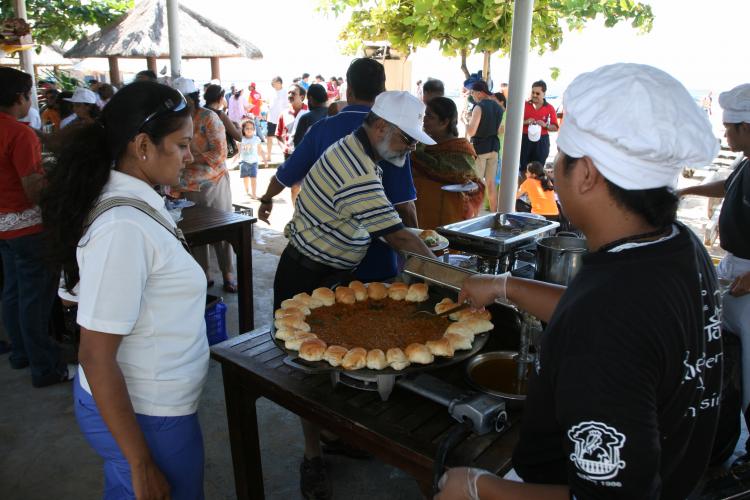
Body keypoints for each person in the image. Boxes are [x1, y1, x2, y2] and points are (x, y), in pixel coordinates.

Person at [436, 63, 722, 500]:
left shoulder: (606, 318)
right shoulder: (677, 246)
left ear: (586, 174)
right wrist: (505, 286)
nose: (553, 171)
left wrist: (481, 488)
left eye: (559, 161)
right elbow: (608, 316)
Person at [40, 80, 209, 499]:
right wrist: (140, 460)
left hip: (154, 403)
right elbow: (96, 355)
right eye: (182, 144)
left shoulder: (135, 202)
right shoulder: (122, 229)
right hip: (146, 412)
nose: (191, 156)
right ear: (143, 146)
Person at [273, 91, 437, 500]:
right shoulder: (356, 169)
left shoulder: (363, 154)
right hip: (304, 275)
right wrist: (443, 269)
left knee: (335, 362)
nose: (410, 148)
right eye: (407, 139)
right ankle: (312, 456)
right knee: (307, 373)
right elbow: (396, 233)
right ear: (381, 127)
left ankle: (332, 435)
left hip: (331, 273)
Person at [258, 57, 419, 283]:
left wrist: (266, 198)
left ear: (349, 90)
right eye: (409, 142)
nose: (410, 148)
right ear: (382, 91)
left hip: (344, 261)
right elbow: (405, 208)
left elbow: (286, 175)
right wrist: (422, 264)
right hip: (357, 262)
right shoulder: (379, 146)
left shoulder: (327, 130)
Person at [678, 83, 750, 466]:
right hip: (734, 269)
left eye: (730, 128)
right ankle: (721, 439)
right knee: (726, 363)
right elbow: (728, 185)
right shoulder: (746, 163)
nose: (726, 134)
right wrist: (689, 188)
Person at [0, 67, 71, 388]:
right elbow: (32, 189)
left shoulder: (21, 131)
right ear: (20, 98)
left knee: (13, 292)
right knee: (36, 299)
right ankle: (44, 367)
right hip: (28, 227)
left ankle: (21, 354)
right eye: (30, 95)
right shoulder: (19, 134)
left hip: (3, 226)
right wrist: (55, 186)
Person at [171, 77, 237, 293]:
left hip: (212, 183)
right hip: (185, 184)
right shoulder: (174, 120)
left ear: (192, 99)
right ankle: (204, 274)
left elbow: (220, 154)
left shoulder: (208, 118)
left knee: (221, 229)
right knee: (195, 233)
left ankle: (228, 274)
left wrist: (189, 157)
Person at [411, 96, 483, 228]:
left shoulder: (461, 149)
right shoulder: (423, 146)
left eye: (430, 117)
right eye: (425, 115)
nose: (424, 120)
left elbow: (471, 181)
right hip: (423, 214)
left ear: (444, 122)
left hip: (450, 215)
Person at [466, 80, 503, 211]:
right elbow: (499, 130)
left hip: (480, 148)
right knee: (491, 184)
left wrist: (466, 123)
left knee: (476, 185)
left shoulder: (479, 107)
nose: (472, 95)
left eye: (473, 92)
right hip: (494, 148)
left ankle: (474, 216)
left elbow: (471, 132)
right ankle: (495, 214)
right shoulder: (499, 107)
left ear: (480, 93)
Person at [276, 83, 308, 204]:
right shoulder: (283, 114)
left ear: (302, 97)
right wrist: (283, 146)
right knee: (294, 188)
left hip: (307, 155)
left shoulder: (309, 113)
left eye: (293, 93)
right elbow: (278, 135)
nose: (290, 95)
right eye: (289, 93)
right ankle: (296, 213)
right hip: (289, 155)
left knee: (307, 186)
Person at [519, 80, 559, 178]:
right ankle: (524, 192)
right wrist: (526, 121)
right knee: (523, 169)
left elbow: (555, 127)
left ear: (544, 94)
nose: (534, 95)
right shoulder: (523, 105)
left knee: (539, 169)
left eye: (538, 93)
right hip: (525, 139)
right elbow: (514, 123)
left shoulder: (550, 108)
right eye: (533, 92)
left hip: (542, 141)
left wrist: (545, 125)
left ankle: (536, 192)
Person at [239, 120, 265, 198]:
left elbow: (260, 150)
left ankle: (254, 194)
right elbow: (238, 150)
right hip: (244, 162)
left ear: (254, 130)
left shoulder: (256, 139)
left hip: (254, 162)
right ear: (243, 129)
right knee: (245, 178)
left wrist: (265, 160)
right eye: (247, 128)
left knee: (254, 178)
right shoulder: (241, 139)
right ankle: (247, 191)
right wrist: (235, 158)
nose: (249, 130)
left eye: (251, 128)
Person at [266, 76, 287, 161]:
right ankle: (268, 156)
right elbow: (270, 104)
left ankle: (285, 155)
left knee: (282, 138)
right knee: (269, 137)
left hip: (282, 119)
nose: (273, 85)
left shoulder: (286, 92)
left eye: (274, 83)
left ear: (279, 82)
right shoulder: (272, 92)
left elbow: (287, 106)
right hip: (271, 118)